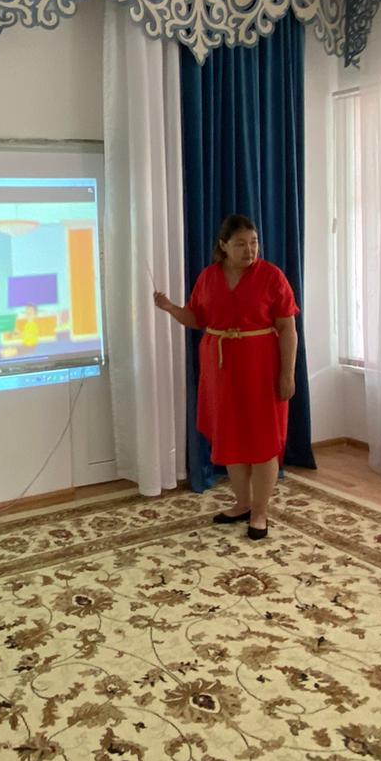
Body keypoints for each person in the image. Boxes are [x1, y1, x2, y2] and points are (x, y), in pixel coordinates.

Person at [153, 214, 298, 540]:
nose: (250, 250)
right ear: (223, 246)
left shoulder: (272, 276)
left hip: (261, 369)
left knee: (262, 440)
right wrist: (170, 308)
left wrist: (287, 374)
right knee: (231, 436)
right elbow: (197, 318)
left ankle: (259, 512)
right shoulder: (209, 278)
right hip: (221, 371)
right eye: (241, 244)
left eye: (254, 242)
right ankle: (242, 503)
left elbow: (288, 329)